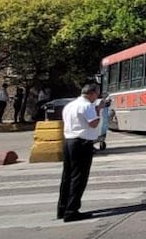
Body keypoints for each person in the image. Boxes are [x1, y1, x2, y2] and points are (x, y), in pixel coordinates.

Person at [57, 83, 103, 222]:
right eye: (97, 94)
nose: (97, 96)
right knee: (79, 177)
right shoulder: (87, 105)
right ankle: (72, 210)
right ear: (92, 93)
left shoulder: (70, 105)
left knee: (67, 176)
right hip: (82, 143)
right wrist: (99, 111)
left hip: (69, 141)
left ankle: (62, 208)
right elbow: (93, 123)